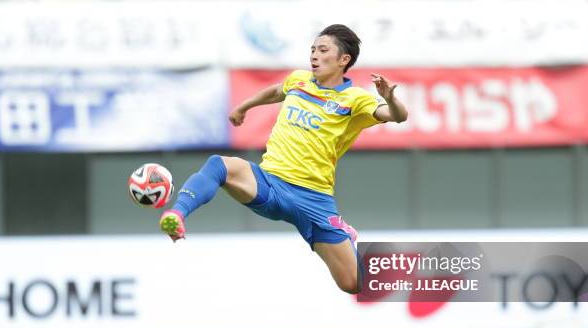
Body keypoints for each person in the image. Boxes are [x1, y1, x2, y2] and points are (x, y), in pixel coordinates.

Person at [159, 24, 408, 294]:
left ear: (343, 60)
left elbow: (397, 116)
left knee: (352, 284)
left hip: (313, 199)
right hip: (270, 184)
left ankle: (345, 234)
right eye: (312, 49)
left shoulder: (355, 99)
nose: (314, 55)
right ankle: (177, 213)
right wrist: (245, 106)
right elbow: (277, 91)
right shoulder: (298, 81)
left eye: (323, 50)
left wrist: (390, 98)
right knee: (219, 164)